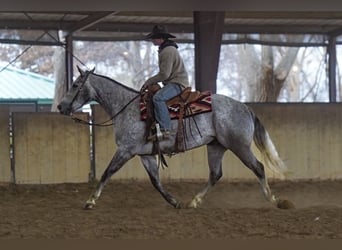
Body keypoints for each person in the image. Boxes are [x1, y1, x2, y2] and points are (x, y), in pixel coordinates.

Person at [141, 25, 190, 140]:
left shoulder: (167, 51)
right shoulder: (167, 49)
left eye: (154, 38)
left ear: (160, 38)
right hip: (174, 82)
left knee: (158, 98)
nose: (152, 40)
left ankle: (166, 129)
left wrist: (148, 81)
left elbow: (165, 74)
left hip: (177, 83)